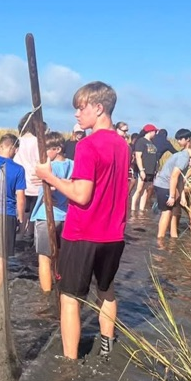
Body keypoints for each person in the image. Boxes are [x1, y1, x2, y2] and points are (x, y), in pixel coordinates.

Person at [35, 81, 129, 360]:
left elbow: (82, 194)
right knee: (106, 291)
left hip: (83, 233)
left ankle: (69, 362)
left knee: (70, 298)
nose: (76, 114)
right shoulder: (122, 145)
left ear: (98, 108)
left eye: (81, 108)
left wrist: (49, 177)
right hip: (114, 235)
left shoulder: (88, 145)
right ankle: (107, 348)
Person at [30, 132, 73, 292]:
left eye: (47, 149)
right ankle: (59, 288)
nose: (44, 152)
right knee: (59, 256)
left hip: (46, 216)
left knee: (44, 258)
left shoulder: (49, 168)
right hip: (66, 216)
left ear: (58, 149)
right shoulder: (73, 165)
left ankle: (46, 294)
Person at [154, 139, 191, 239]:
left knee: (174, 211)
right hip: (164, 185)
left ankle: (174, 236)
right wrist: (172, 196)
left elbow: (180, 179)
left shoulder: (185, 156)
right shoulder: (184, 157)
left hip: (166, 184)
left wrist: (182, 196)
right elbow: (174, 176)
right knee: (166, 212)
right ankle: (160, 239)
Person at [14, 112, 46, 240]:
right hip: (36, 180)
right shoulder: (39, 142)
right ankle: (30, 234)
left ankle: (21, 232)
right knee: (34, 210)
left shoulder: (18, 141)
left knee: (23, 209)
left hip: (22, 181)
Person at [131, 124, 159, 212]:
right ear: (150, 131)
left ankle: (141, 209)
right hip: (143, 170)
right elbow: (138, 156)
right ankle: (133, 208)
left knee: (146, 190)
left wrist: (156, 170)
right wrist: (141, 170)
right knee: (139, 189)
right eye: (155, 131)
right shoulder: (141, 141)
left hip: (151, 170)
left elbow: (155, 158)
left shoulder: (151, 143)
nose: (156, 133)